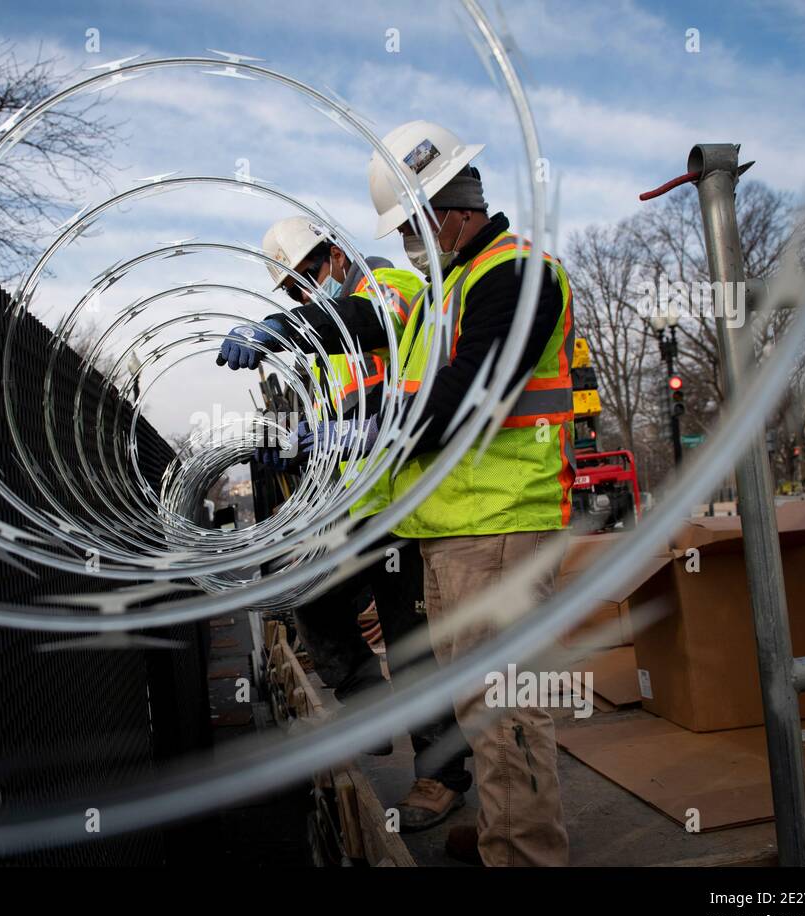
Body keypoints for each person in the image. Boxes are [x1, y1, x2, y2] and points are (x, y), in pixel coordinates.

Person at [239, 122, 575, 866]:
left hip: (500, 529)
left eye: (413, 227)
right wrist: (285, 332)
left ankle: (525, 852)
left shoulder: (517, 276)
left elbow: (466, 396)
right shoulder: (446, 289)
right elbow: (363, 322)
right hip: (457, 532)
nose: (410, 243)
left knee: (507, 710)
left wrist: (367, 434)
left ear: (446, 212)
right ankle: (503, 838)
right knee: (478, 707)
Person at [223, 216, 473, 832]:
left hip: (411, 505)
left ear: (335, 255)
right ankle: (370, 700)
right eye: (291, 293)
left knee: (410, 640)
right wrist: (301, 445)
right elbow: (339, 412)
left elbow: (360, 328)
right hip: (359, 506)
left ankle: (442, 777)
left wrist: (280, 329)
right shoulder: (325, 335)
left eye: (309, 276)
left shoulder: (387, 290)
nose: (305, 295)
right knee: (306, 594)